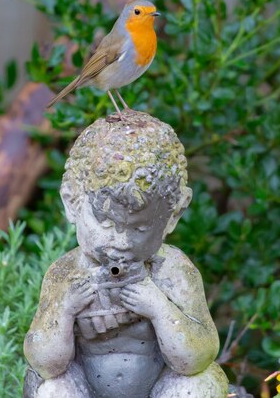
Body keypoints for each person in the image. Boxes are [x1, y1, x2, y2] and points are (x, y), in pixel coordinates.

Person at [23, 111, 228, 398]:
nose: (121, 241)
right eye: (105, 222)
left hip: (158, 388)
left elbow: (198, 357)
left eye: (140, 227)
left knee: (198, 384)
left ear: (173, 216)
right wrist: (65, 310)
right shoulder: (66, 274)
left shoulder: (172, 271)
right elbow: (44, 363)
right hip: (88, 389)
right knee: (52, 389)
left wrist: (158, 307)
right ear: (71, 202)